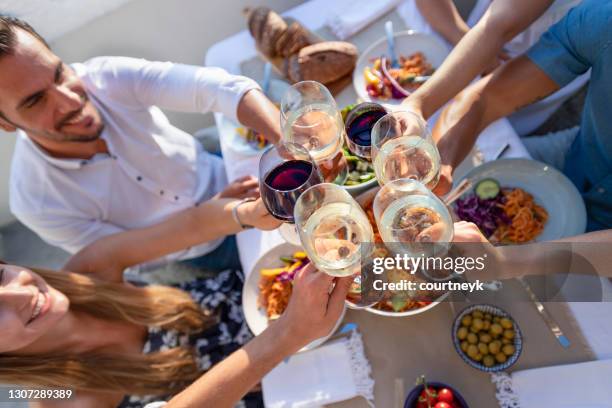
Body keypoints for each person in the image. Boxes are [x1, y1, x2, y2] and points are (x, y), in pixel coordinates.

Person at [0, 16, 282, 274]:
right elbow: (124, 257)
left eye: (59, 73)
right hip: (196, 255)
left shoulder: (104, 76)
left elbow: (220, 88)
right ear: (6, 123)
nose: (71, 102)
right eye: (35, 101)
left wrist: (287, 141)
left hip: (227, 171)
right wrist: (220, 216)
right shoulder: (36, 203)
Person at [0, 259, 351, 408]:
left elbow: (197, 222)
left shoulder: (87, 271)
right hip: (301, 388)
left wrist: (239, 212)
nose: (21, 293)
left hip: (279, 303)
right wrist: (287, 335)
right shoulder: (57, 398)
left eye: (0, 275)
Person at [431, 0, 612, 232]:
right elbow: (485, 100)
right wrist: (441, 162)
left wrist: (506, 262)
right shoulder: (604, 21)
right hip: (576, 153)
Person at [400, 0, 589, 136]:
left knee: (498, 132)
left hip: (541, 58)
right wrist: (461, 35)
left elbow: (500, 24)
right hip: (482, 39)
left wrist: (419, 104)